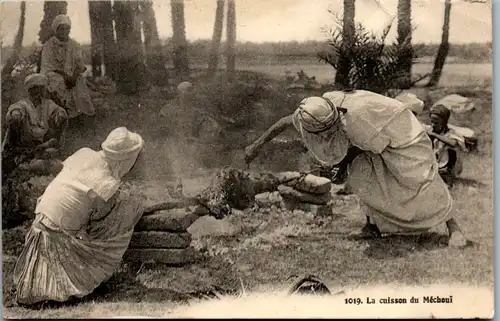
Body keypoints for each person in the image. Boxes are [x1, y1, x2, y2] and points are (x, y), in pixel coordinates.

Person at [244, 90, 468, 247]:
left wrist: (339, 167)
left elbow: (358, 146)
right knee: (362, 177)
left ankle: (454, 227)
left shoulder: (354, 120)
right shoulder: (316, 110)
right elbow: (285, 122)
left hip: (402, 133)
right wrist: (256, 144)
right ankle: (371, 227)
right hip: (374, 136)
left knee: (417, 178)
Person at [13, 127, 145, 306]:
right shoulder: (107, 184)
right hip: (55, 238)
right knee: (130, 210)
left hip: (38, 227)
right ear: (125, 159)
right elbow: (99, 223)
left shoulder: (84, 154)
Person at [2, 73, 68, 180]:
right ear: (30, 90)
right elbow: (17, 108)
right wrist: (16, 113)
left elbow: (57, 110)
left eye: (41, 88)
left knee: (56, 165)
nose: (38, 91)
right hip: (25, 146)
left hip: (43, 145)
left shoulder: (48, 103)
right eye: (35, 88)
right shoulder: (24, 104)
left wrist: (60, 115)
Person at [40, 14, 95, 119]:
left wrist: (73, 76)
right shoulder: (49, 45)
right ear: (56, 30)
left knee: (79, 84)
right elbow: (48, 66)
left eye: (67, 28)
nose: (64, 31)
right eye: (61, 29)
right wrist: (64, 75)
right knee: (57, 82)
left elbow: (80, 65)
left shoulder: (75, 45)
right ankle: (63, 114)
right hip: (55, 74)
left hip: (72, 75)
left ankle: (81, 115)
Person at [425, 105, 467, 187]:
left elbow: (454, 143)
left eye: (436, 123)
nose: (433, 125)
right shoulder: (429, 130)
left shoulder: (451, 133)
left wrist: (434, 135)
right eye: (432, 122)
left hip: (447, 167)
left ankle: (447, 178)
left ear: (444, 122)